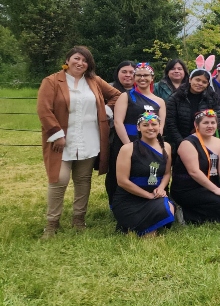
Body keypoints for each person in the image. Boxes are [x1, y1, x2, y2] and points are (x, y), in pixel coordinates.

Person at [37, 46, 121, 236]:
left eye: (85, 61)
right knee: (59, 180)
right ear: (67, 60)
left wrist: (105, 111)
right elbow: (44, 110)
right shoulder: (52, 81)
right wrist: (56, 134)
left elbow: (117, 96)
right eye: (77, 58)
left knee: (83, 181)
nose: (80, 63)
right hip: (61, 141)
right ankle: (52, 224)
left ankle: (79, 220)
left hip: (89, 140)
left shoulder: (94, 81)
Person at [107, 62, 165, 206]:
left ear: (152, 78)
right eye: (138, 75)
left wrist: (154, 146)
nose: (142, 78)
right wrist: (129, 146)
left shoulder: (160, 102)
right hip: (126, 141)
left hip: (150, 143)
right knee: (120, 173)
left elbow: (161, 127)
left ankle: (154, 199)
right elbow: (118, 122)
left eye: (145, 75)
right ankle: (117, 204)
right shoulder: (126, 97)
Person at [169, 108, 220, 225]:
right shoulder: (187, 143)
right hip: (188, 188)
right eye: (205, 123)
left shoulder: (219, 142)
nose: (210, 126)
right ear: (196, 125)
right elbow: (194, 172)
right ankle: (184, 213)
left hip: (209, 185)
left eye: (213, 123)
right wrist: (216, 190)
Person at [111, 112, 175, 235]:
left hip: (155, 196)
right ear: (138, 127)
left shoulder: (166, 147)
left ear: (159, 126)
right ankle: (133, 226)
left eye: (154, 124)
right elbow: (122, 181)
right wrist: (148, 195)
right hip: (129, 199)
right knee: (149, 231)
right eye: (145, 125)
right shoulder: (128, 149)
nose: (150, 128)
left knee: (169, 208)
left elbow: (167, 173)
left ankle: (141, 226)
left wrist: (161, 189)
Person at [165, 56, 220, 153]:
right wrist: (182, 143)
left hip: (205, 142)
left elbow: (217, 120)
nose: (200, 83)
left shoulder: (212, 98)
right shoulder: (175, 98)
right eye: (197, 80)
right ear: (190, 79)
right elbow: (170, 123)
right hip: (180, 142)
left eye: (204, 82)